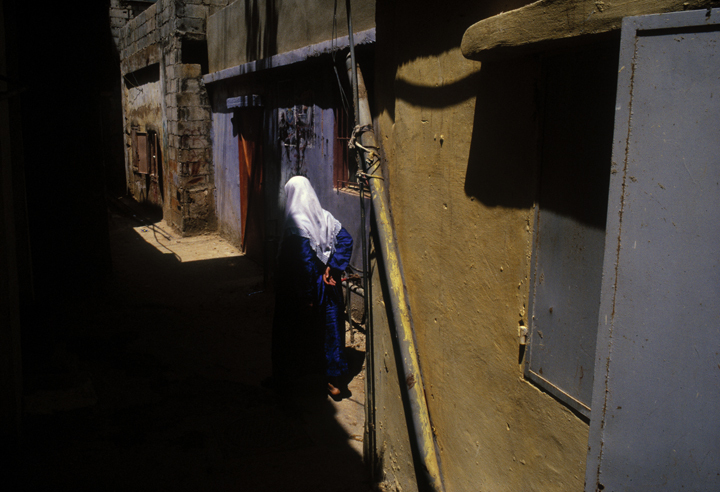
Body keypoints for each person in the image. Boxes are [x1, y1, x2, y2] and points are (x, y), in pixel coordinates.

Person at [268, 176, 353, 397]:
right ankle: (334, 382)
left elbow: (304, 261)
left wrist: (306, 296)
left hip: (301, 288)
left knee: (291, 332)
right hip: (328, 286)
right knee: (330, 329)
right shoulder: (325, 217)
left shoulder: (296, 222)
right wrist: (332, 267)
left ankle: (287, 379)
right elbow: (346, 240)